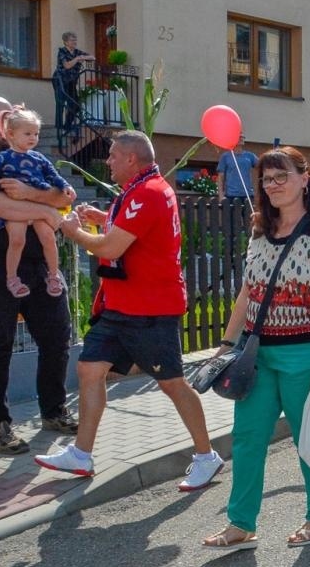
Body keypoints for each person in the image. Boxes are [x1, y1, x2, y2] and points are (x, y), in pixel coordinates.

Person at [35, 131, 224, 488]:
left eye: (112, 156)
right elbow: (131, 231)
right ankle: (81, 454)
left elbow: (110, 248)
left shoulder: (148, 192)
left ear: (131, 160)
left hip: (150, 309)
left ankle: (206, 456)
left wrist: (74, 231)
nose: (107, 161)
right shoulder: (141, 190)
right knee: (90, 368)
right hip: (121, 306)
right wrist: (102, 216)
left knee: (172, 384)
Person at [202, 146, 310, 551]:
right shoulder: (259, 231)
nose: (272, 185)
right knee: (247, 438)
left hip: (308, 352)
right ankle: (241, 524)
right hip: (258, 355)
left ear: (305, 179)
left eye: (281, 176)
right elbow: (248, 293)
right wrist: (226, 345)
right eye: (266, 179)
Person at [0, 95, 77, 455]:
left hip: (37, 265)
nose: (7, 128)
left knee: (57, 338)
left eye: (12, 119)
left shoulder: (31, 159)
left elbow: (62, 196)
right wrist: (45, 209)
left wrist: (34, 195)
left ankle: (54, 411)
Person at [0, 107, 70, 298]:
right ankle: (12, 278)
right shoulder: (2, 158)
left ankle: (54, 275)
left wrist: (64, 186)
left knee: (48, 238)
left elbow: (53, 175)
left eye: (36, 134)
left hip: (36, 204)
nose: (33, 138)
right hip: (20, 210)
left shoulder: (38, 158)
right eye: (28, 133)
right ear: (10, 134)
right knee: (17, 240)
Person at [51, 31, 94, 141]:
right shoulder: (62, 52)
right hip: (60, 80)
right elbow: (67, 65)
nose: (74, 42)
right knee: (60, 103)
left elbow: (92, 57)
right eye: (72, 40)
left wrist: (82, 57)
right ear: (66, 42)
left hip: (71, 81)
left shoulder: (77, 52)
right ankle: (59, 127)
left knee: (75, 104)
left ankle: (67, 125)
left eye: (75, 40)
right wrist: (77, 59)